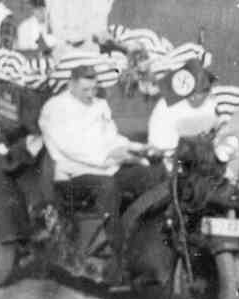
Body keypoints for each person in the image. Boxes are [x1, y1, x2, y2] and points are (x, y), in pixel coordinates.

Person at [36, 53, 156, 262]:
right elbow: (69, 148)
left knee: (148, 175)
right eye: (85, 90)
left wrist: (135, 147)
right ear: (70, 85)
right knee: (107, 187)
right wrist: (107, 155)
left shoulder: (99, 105)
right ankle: (117, 254)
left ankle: (148, 241)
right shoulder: (55, 108)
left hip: (107, 167)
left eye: (94, 89)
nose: (91, 94)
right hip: (74, 174)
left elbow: (111, 136)